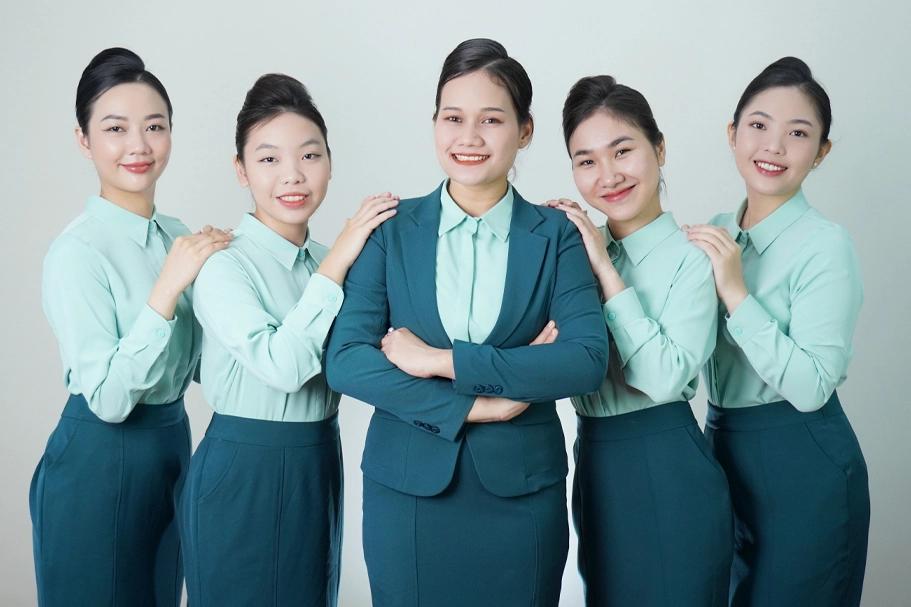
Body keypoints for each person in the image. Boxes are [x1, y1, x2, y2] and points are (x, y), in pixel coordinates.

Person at [326, 38, 608, 607]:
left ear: (525, 131)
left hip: (523, 495)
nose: (469, 138)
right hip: (407, 491)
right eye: (453, 118)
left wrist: (439, 362)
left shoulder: (556, 236)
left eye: (491, 120)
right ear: (434, 124)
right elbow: (347, 360)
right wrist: (482, 404)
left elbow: (584, 360)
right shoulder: (390, 228)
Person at [178, 73, 397, 607]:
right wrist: (343, 257)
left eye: (309, 155)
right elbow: (282, 365)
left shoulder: (329, 258)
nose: (293, 176)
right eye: (269, 159)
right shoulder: (224, 264)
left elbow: (378, 352)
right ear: (241, 170)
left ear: (329, 161)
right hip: (242, 468)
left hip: (317, 460)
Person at [30, 47, 231, 606]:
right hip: (99, 457)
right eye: (115, 128)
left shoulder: (176, 233)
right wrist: (168, 288)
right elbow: (110, 398)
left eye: (154, 126)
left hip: (172, 448)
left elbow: (198, 365)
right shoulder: (77, 252)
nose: (138, 145)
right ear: (84, 139)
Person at [686, 57, 869, 606]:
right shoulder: (717, 229)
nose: (774, 146)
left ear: (822, 152)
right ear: (732, 133)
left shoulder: (824, 245)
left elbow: (813, 385)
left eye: (798, 134)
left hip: (802, 457)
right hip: (723, 448)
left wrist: (737, 292)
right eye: (759, 125)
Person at [547, 74, 733, 606]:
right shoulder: (572, 251)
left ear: (659, 148)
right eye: (586, 160)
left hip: (668, 460)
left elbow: (661, 377)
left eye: (622, 150)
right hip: (596, 462)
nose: (608, 175)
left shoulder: (694, 256)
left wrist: (604, 268)